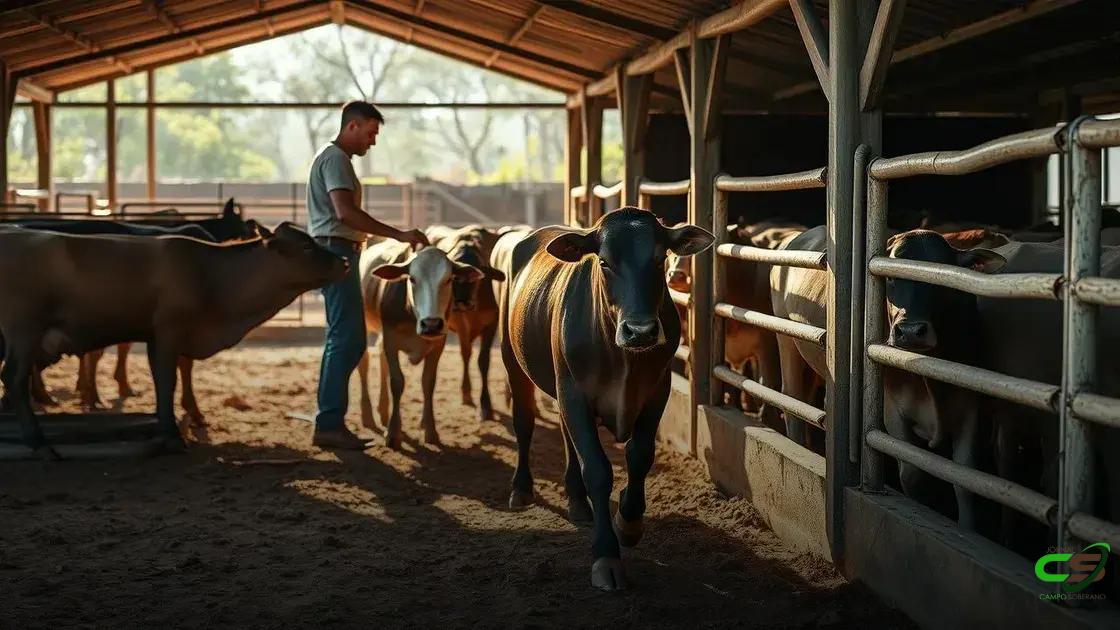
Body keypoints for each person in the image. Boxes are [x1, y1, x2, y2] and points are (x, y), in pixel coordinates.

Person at [306, 100, 428, 449]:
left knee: (344, 338)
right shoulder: (336, 160)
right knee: (347, 339)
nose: (372, 142)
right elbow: (345, 213)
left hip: (338, 248)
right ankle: (329, 423)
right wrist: (398, 234)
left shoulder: (330, 157)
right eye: (371, 133)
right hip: (337, 251)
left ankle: (329, 420)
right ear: (353, 126)